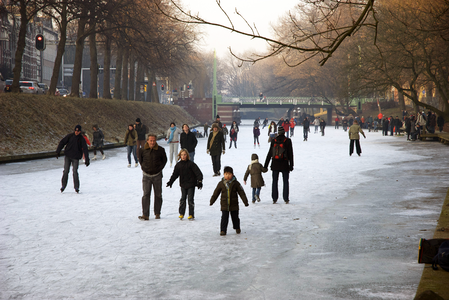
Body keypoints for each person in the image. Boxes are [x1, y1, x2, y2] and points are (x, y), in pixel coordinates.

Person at [210, 166, 249, 236]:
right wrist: (212, 200)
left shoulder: (236, 183)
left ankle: (237, 227)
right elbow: (216, 193)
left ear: (232, 174)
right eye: (226, 174)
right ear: (223, 174)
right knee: (224, 218)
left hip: (234, 205)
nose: (227, 176)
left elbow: (241, 193)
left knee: (235, 218)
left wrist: (245, 201)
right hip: (224, 204)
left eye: (229, 174)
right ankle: (223, 230)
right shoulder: (221, 184)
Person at [166, 149, 203, 220]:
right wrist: (170, 182)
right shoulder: (178, 165)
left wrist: (200, 181)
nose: (183, 156)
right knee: (183, 199)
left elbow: (198, 173)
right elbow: (175, 175)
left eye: (185, 155)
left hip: (191, 184)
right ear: (180, 156)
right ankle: (181, 213)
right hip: (183, 184)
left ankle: (191, 214)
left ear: (187, 155)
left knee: (190, 199)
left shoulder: (191, 164)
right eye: (182, 155)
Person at [138, 134, 168, 220]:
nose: (152, 142)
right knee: (146, 194)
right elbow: (140, 160)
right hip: (146, 175)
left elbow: (164, 160)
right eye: (151, 140)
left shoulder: (160, 150)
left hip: (157, 175)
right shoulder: (142, 150)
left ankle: (157, 213)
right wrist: (144, 167)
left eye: (154, 140)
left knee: (158, 195)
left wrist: (159, 168)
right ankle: (145, 214)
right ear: (147, 140)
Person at [264, 126, 294, 204]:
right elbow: (290, 154)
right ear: (284, 133)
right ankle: (286, 198)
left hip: (275, 164)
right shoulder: (288, 141)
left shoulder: (274, 141)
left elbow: (270, 153)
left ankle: (274, 198)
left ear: (278, 133)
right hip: (284, 164)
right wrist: (291, 165)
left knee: (274, 182)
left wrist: (265, 166)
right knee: (285, 182)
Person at [56, 125, 90, 193]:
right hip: (68, 156)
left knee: (75, 172)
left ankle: (76, 187)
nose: (76, 132)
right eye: (75, 130)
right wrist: (58, 151)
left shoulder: (81, 139)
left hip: (76, 157)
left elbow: (85, 149)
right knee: (66, 171)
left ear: (80, 131)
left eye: (78, 131)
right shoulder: (70, 136)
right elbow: (62, 142)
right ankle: (63, 186)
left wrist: (87, 159)